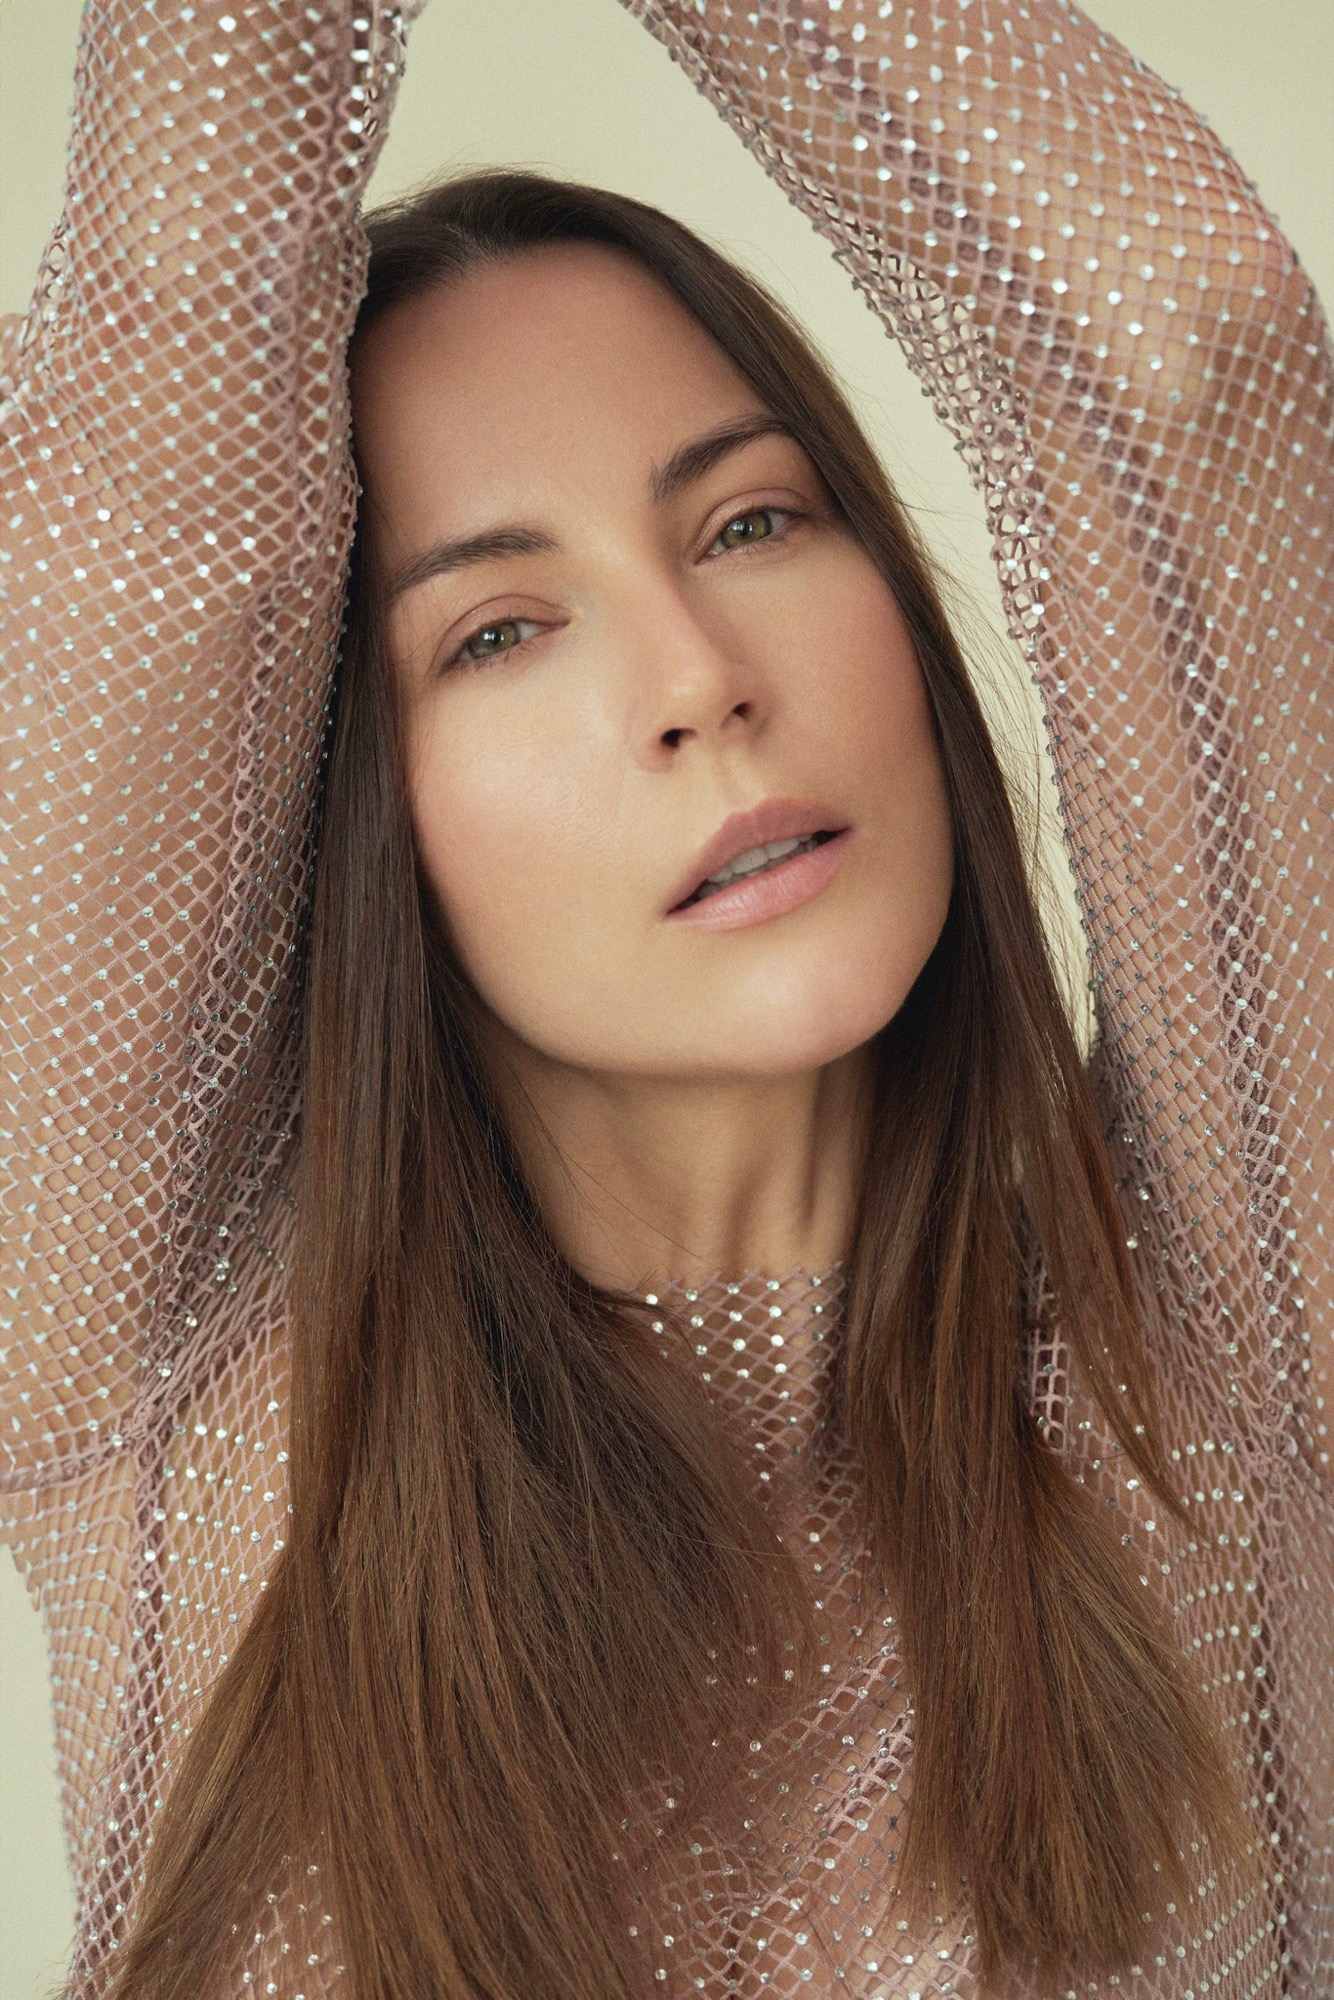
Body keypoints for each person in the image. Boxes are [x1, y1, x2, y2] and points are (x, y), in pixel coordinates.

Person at [1, 3, 1329, 1997]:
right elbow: (161, 426)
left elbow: (1183, 346)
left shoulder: (1219, 1349)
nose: (699, 674)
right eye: (498, 630)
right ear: (338, 795)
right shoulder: (169, 1389)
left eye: (751, 521)